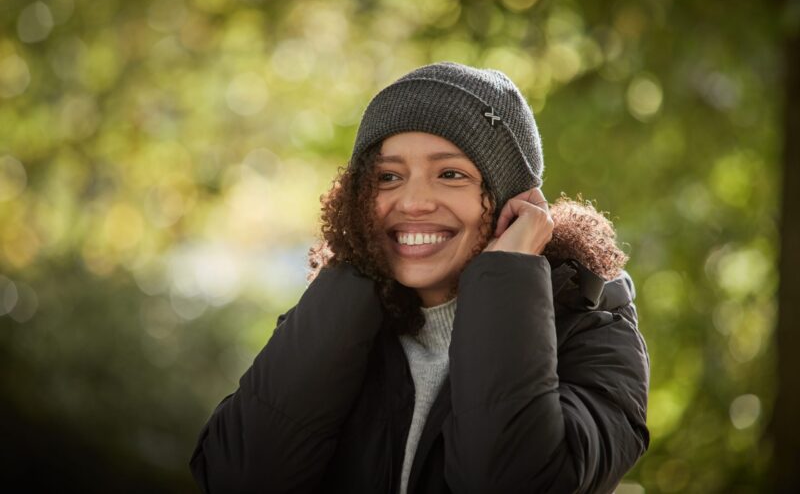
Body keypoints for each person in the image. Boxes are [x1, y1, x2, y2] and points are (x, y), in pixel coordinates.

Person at [189, 61, 650, 493]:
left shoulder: (591, 327)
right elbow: (235, 476)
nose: (411, 202)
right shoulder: (333, 313)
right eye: (387, 178)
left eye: (450, 174)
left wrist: (506, 278)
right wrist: (353, 271)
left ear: (516, 203)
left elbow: (511, 481)